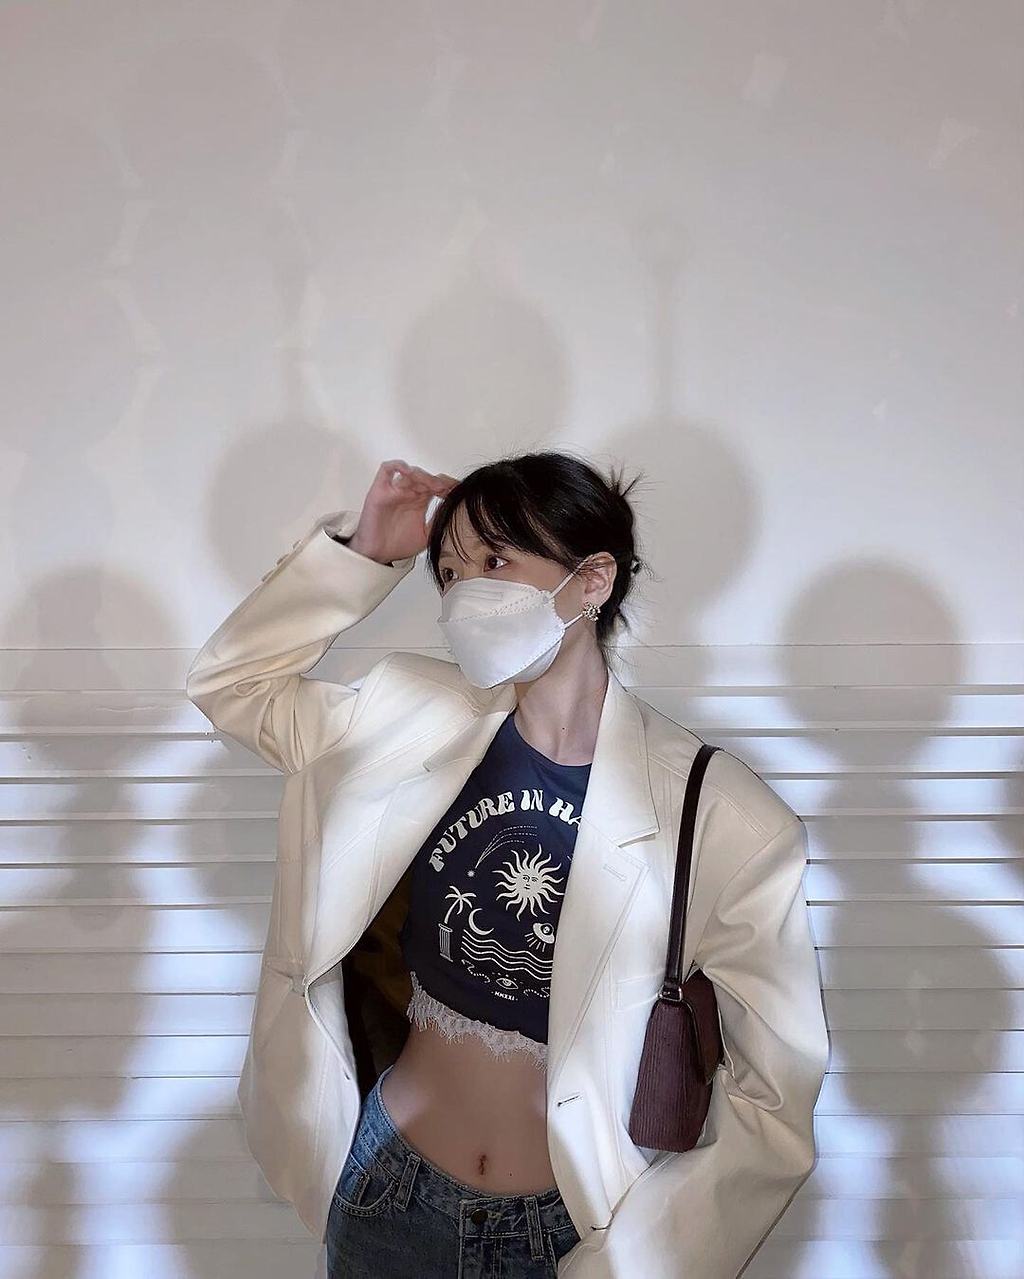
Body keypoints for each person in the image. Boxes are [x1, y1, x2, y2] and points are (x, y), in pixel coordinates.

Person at [186, 451, 830, 1279]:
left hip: (575, 1229)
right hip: (387, 1189)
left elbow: (774, 1102)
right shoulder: (403, 714)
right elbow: (231, 684)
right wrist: (363, 556)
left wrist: (637, 1263)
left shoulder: (723, 816)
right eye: (450, 573)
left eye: (494, 561)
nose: (465, 594)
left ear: (592, 579)